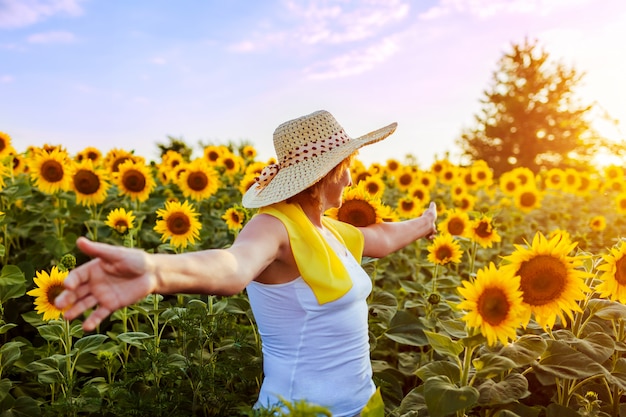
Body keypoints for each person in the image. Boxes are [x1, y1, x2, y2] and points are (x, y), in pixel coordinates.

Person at [55, 110, 437, 416]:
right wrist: (156, 270)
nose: (352, 178)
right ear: (324, 175)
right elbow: (232, 266)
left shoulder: (331, 232)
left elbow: (384, 239)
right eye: (346, 166)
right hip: (300, 410)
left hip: (362, 404)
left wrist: (425, 222)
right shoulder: (273, 226)